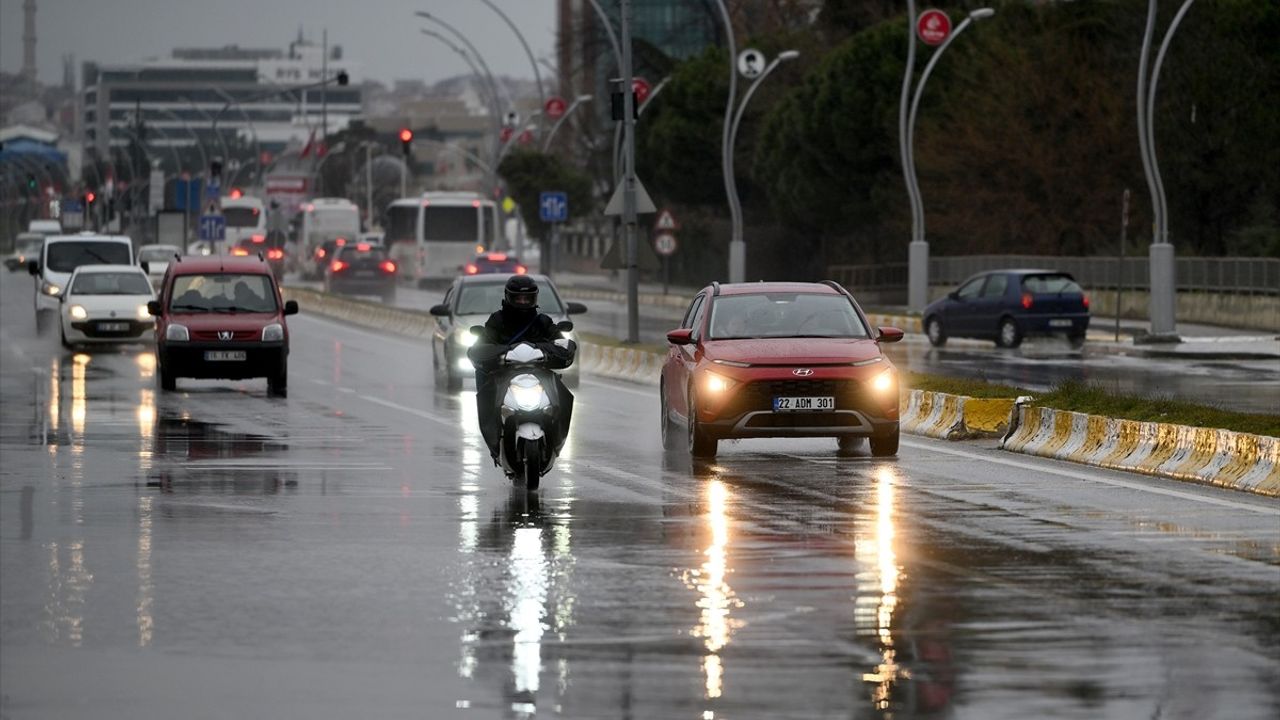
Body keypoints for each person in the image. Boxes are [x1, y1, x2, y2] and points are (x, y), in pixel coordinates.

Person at [467, 276, 576, 466]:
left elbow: (557, 339)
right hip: (504, 374)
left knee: (562, 390)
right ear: (509, 297)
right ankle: (494, 442)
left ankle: (556, 438)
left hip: (539, 373)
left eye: (527, 298)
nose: (523, 302)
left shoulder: (542, 321)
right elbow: (484, 342)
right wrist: (490, 352)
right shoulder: (497, 320)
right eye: (518, 298)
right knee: (486, 393)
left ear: (534, 299)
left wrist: (560, 348)